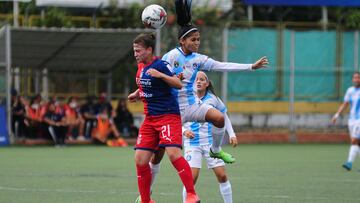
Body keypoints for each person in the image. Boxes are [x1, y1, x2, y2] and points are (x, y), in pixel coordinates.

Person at [146, 0, 268, 193]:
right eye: (193, 39)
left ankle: (216, 150)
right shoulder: (170, 57)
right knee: (157, 154)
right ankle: (146, 191)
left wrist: (250, 67)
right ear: (182, 41)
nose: (197, 42)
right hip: (173, 110)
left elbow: (222, 65)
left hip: (192, 107)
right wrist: (142, 92)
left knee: (219, 118)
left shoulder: (199, 59)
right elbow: (154, 77)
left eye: (198, 39)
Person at [129, 33, 200, 203]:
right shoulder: (141, 67)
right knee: (140, 159)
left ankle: (191, 194)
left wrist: (161, 75)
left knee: (174, 154)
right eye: (134, 51)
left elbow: (177, 83)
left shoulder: (161, 65)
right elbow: (147, 84)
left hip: (167, 115)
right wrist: (137, 93)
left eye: (138, 51)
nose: (136, 54)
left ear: (149, 50)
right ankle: (146, 200)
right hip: (150, 118)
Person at [182, 71, 237, 203]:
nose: (199, 81)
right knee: (191, 179)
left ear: (207, 83)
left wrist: (232, 134)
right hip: (192, 143)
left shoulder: (213, 99)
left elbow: (223, 116)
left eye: (202, 79)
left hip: (211, 144)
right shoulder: (186, 98)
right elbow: (174, 119)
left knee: (222, 176)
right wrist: (184, 131)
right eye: (196, 80)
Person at [332, 72, 360, 171]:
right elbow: (345, 104)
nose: (356, 79)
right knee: (357, 143)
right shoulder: (350, 90)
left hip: (359, 120)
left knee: (354, 141)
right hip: (351, 120)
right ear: (353, 80)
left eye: (358, 78)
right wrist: (337, 114)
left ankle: (349, 163)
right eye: (355, 78)